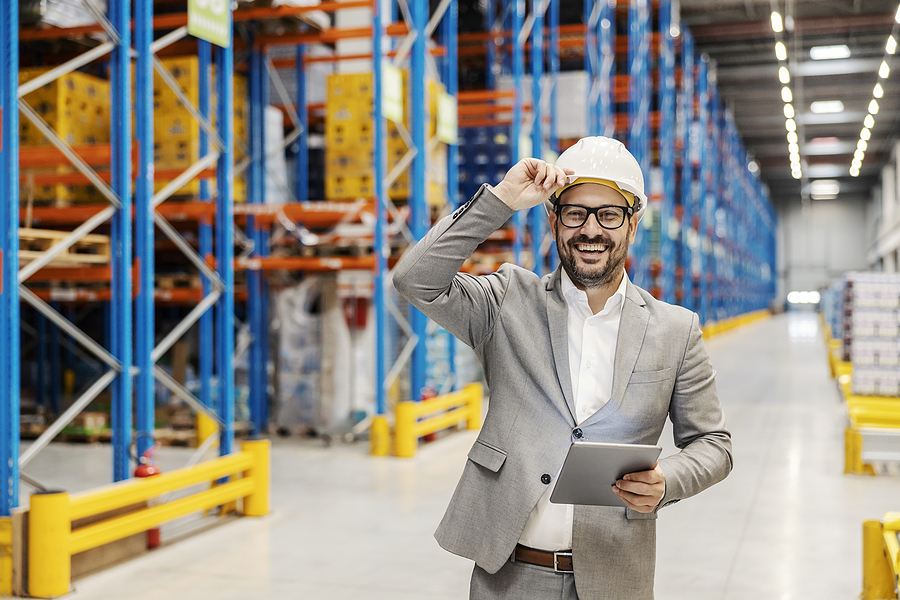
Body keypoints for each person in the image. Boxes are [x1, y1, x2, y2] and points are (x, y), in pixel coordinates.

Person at [393, 136, 733, 600]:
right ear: (554, 220)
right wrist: (502, 200)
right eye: (575, 213)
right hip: (509, 577)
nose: (590, 230)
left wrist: (667, 481)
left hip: (614, 575)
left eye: (609, 214)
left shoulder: (675, 329)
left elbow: (714, 444)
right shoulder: (508, 300)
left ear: (633, 225)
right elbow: (414, 279)